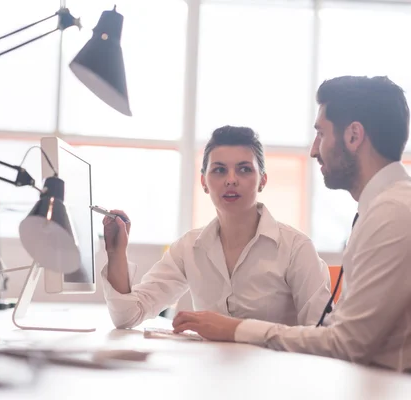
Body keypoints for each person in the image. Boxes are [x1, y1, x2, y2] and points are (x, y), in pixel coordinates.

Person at [172, 76, 411, 372]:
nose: (313, 150)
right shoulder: (383, 209)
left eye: (321, 134)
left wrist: (235, 329)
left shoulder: (393, 214)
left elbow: (347, 344)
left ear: (353, 136)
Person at [101, 126, 331, 329]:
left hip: (275, 373)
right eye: (219, 170)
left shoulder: (295, 248)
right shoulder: (189, 248)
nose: (231, 180)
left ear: (262, 180)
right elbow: (128, 316)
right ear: (203, 182)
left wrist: (236, 329)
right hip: (208, 372)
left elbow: (321, 335)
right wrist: (116, 253)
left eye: (244, 169)